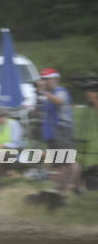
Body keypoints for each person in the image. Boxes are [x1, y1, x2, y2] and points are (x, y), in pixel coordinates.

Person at [36, 68, 82, 196]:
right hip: (52, 132)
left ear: (55, 79)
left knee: (69, 161)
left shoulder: (61, 91)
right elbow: (40, 111)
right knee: (59, 162)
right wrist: (39, 95)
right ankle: (65, 187)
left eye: (46, 79)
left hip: (62, 130)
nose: (44, 81)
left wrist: (43, 91)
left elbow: (59, 101)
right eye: (42, 79)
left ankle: (72, 187)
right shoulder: (47, 94)